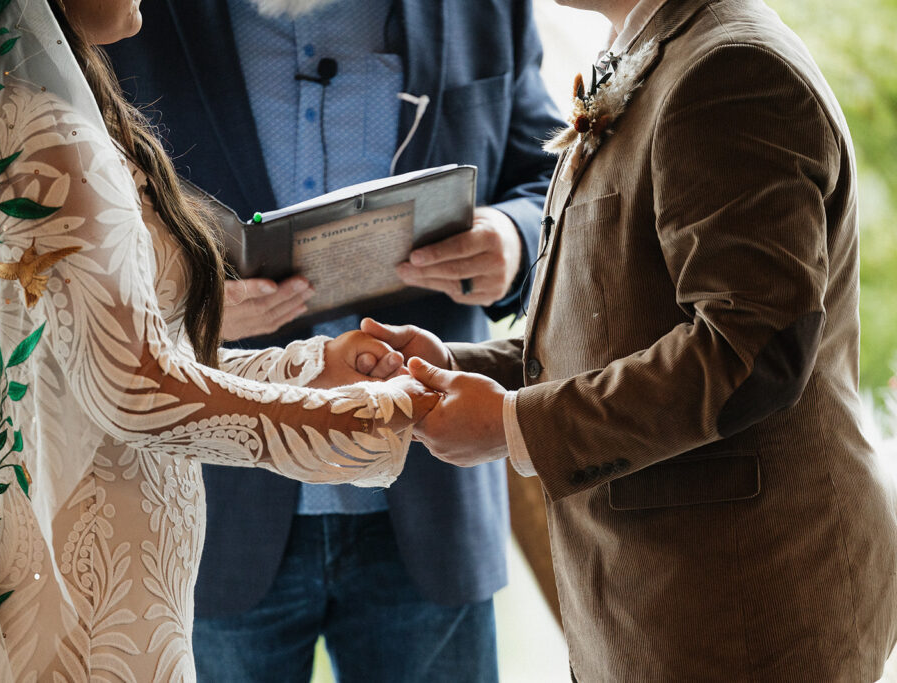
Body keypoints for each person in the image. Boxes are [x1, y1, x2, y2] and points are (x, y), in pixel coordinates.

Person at [0, 0, 438, 679]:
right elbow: (134, 388)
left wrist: (307, 366)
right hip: (85, 604)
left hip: (35, 570)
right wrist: (359, 416)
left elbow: (88, 362)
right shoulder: (44, 132)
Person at [364, 0, 897, 679]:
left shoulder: (732, 71)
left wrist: (509, 424)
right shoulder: (652, 51)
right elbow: (619, 323)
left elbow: (749, 351)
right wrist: (452, 366)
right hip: (667, 601)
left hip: (747, 606)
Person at [104, 1, 564, 680]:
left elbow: (550, 174)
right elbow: (77, 253)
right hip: (217, 511)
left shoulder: (487, 8)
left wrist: (516, 239)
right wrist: (188, 306)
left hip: (431, 494)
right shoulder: (127, 18)